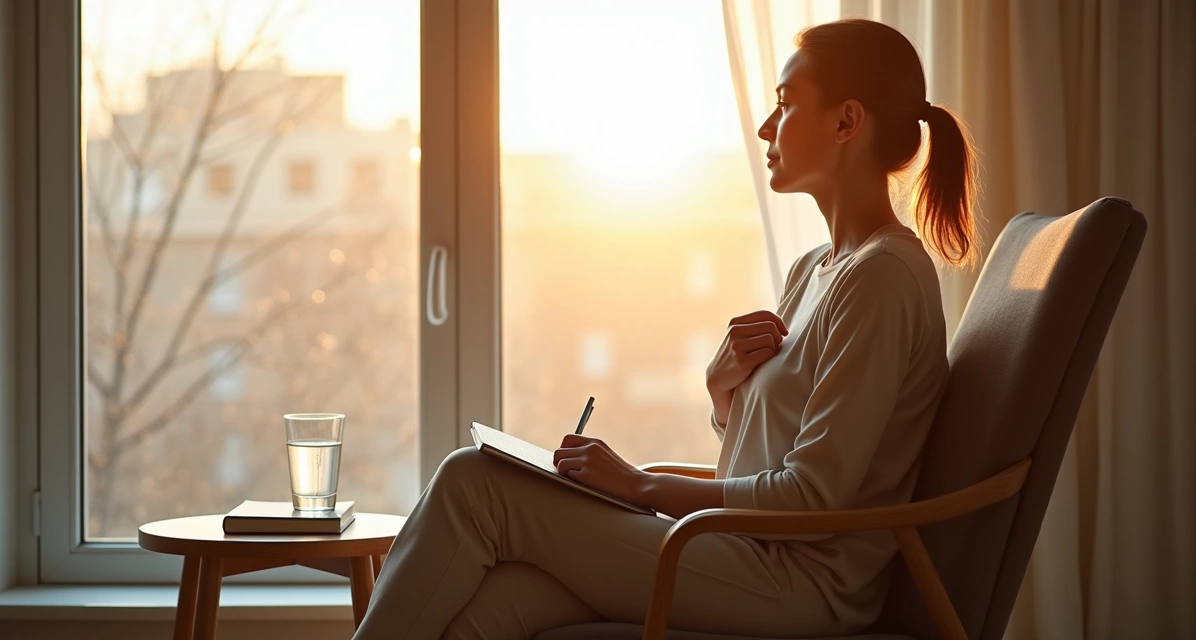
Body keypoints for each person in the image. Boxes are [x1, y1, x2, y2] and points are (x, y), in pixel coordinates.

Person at [353, 18, 977, 640]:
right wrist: (722, 395)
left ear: (846, 122)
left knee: (475, 484)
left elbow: (813, 499)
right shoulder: (814, 268)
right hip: (744, 553)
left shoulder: (883, 277)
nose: (765, 127)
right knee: (500, 604)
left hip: (800, 584)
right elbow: (775, 456)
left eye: (785, 105)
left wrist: (636, 484)